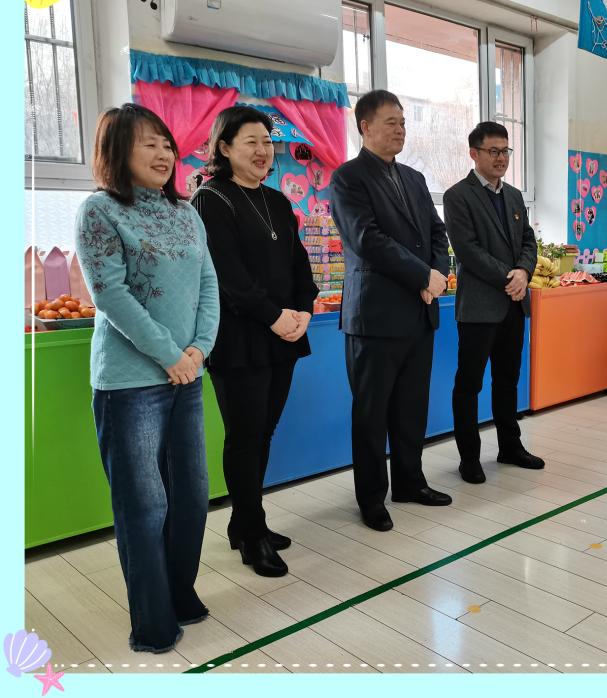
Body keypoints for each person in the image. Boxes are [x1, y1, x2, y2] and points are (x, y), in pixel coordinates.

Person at [74, 104, 219, 653]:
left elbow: (208, 283)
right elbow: (110, 295)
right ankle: (153, 622)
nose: (163, 154)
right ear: (116, 151)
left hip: (186, 373)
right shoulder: (99, 210)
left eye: (166, 143)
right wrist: (170, 354)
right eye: (148, 144)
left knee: (192, 495)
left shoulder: (185, 211)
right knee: (145, 505)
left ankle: (180, 592)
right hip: (130, 381)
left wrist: (199, 349)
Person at [191, 105, 319, 577]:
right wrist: (275, 316)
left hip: (283, 334)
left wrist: (304, 310)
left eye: (268, 141)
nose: (263, 150)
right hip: (239, 339)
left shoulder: (278, 201)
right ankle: (252, 534)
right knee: (245, 437)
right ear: (224, 147)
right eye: (252, 141)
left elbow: (299, 265)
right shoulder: (210, 199)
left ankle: (244, 522)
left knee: (263, 432)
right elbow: (227, 277)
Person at [330, 90, 452, 531]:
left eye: (403, 122)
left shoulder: (414, 178)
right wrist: (423, 276)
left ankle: (409, 481)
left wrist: (437, 275)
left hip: (419, 312)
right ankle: (371, 498)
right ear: (365, 127)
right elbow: (368, 240)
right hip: (375, 317)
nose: (400, 129)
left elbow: (437, 233)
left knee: (411, 407)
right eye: (391, 122)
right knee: (371, 413)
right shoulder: (348, 178)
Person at [443, 122, 543, 484]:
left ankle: (510, 446)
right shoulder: (457, 196)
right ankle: (469, 457)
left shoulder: (514, 196)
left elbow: (529, 241)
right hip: (479, 308)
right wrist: (511, 277)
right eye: (494, 151)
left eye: (505, 151)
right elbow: (467, 251)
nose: (501, 158)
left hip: (514, 305)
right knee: (469, 384)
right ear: (474, 153)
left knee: (507, 381)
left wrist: (524, 272)